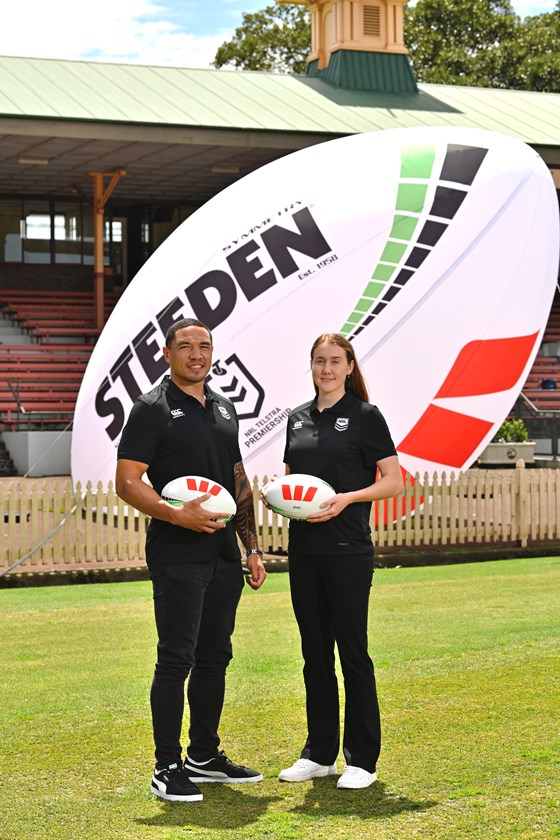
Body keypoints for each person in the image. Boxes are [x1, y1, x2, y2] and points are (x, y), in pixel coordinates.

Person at [116, 317, 267, 804]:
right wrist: (175, 515)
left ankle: (203, 755)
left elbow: (237, 480)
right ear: (167, 353)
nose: (196, 354)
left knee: (215, 657)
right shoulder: (150, 408)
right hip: (177, 554)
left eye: (204, 346)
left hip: (224, 554)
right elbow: (128, 481)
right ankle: (166, 766)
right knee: (176, 657)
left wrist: (252, 546)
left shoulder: (224, 408)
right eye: (186, 346)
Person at [267, 332, 403, 790]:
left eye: (335, 361)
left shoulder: (366, 417)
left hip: (348, 551)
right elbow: (293, 484)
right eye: (319, 361)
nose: (326, 369)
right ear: (311, 365)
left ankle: (362, 759)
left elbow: (393, 481)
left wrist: (348, 499)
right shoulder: (296, 419)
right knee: (314, 656)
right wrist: (281, 500)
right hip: (304, 553)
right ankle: (320, 754)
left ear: (349, 367)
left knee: (353, 654)